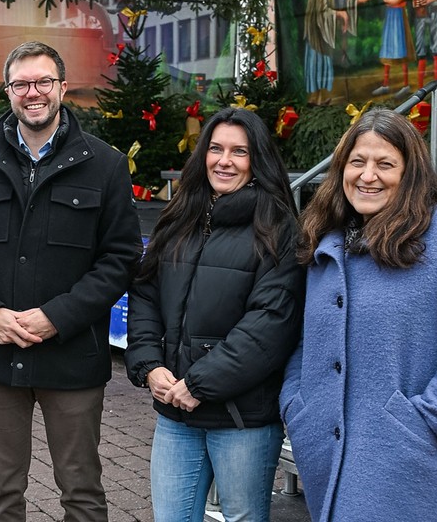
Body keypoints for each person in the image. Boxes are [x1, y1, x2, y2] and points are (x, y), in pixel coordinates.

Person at [0, 40, 142, 521]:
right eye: (21, 84)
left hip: (71, 356)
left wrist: (57, 317)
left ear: (62, 87)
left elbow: (120, 258)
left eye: (43, 82)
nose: (33, 93)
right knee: (1, 494)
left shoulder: (104, 164)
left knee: (82, 491)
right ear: (7, 91)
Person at [281, 109, 437, 521]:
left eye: (385, 164)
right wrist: (297, 405)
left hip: (413, 463)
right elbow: (308, 340)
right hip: (328, 455)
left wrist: (426, 421)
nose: (368, 175)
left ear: (410, 173)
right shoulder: (327, 239)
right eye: (357, 161)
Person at [124, 108, 304, 522]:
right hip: (176, 410)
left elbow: (269, 324)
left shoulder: (278, 227)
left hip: (242, 418)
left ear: (257, 160)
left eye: (239, 151)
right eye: (216, 148)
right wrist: (149, 365)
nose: (225, 161)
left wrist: (199, 383)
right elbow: (146, 292)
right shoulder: (180, 216)